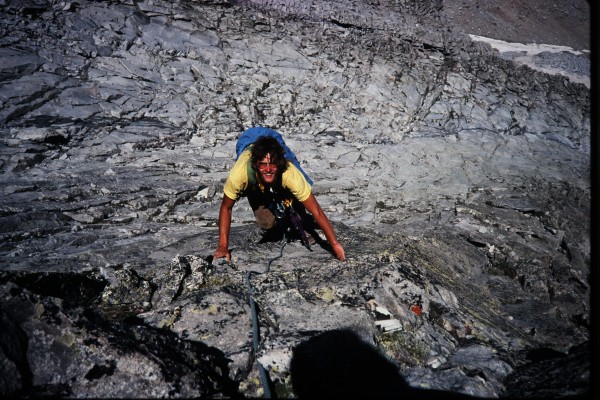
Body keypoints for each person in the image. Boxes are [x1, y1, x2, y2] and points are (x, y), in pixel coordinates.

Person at [213, 128, 346, 262]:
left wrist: (334, 244)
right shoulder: (240, 174)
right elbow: (226, 208)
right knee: (266, 222)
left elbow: (316, 210)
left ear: (280, 163)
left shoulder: (289, 171)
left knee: (301, 201)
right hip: (248, 138)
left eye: (273, 164)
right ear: (255, 165)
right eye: (263, 165)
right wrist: (223, 246)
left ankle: (299, 217)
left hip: (274, 141)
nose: (268, 169)